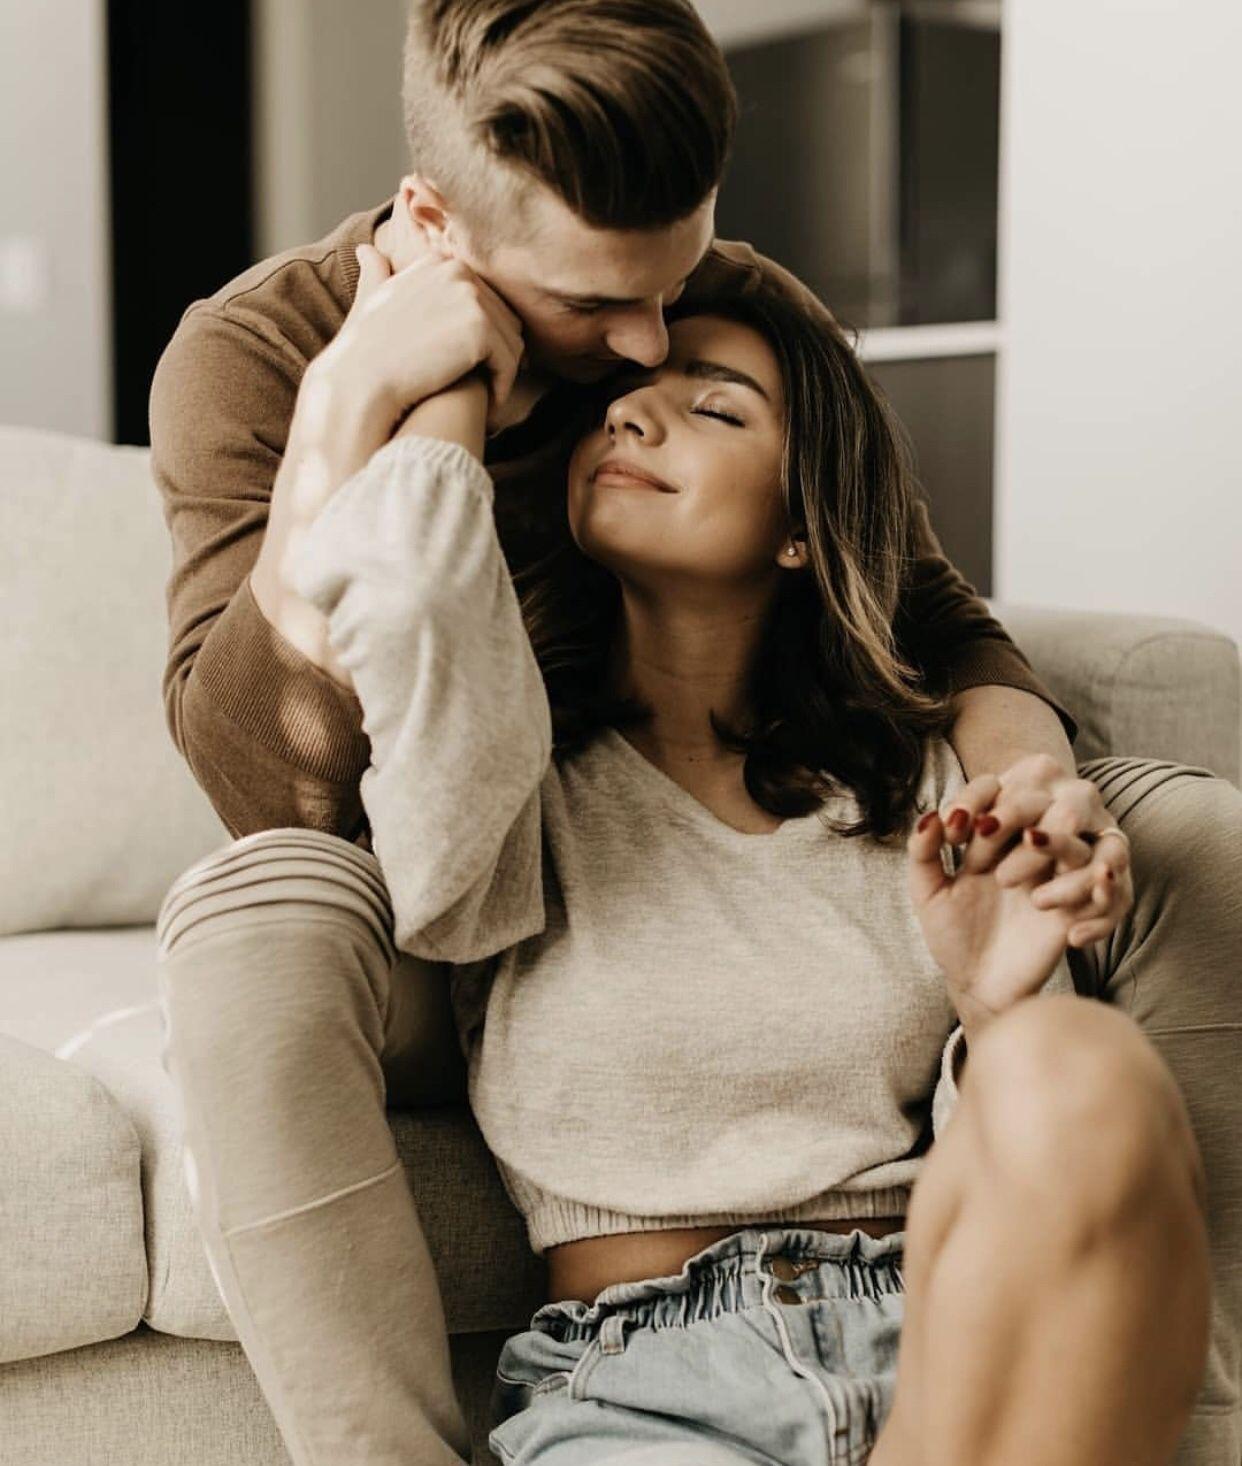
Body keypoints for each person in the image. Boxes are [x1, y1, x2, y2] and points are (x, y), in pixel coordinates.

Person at [151, 2, 1242, 1463]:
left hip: (907, 1314)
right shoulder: (258, 353)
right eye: (596, 312)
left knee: (1130, 957)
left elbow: (914, 600)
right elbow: (272, 787)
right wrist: (364, 411)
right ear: (437, 223)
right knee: (261, 901)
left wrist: (1023, 811)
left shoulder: (723, 305)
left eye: (677, 296)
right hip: (445, 896)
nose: (643, 350)